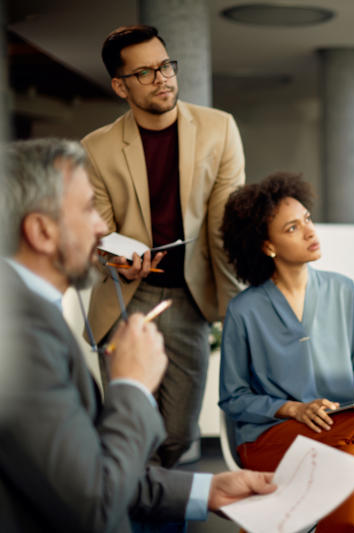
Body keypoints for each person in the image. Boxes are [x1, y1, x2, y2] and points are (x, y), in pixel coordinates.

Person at [0, 138, 275, 532]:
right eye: (88, 209)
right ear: (41, 232)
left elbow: (83, 468)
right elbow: (95, 503)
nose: (101, 227)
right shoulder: (19, 334)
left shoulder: (30, 312)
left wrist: (207, 490)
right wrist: (132, 384)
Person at [82, 25, 245, 467]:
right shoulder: (96, 148)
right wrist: (118, 261)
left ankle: (153, 498)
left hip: (189, 298)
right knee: (130, 430)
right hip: (127, 296)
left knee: (177, 434)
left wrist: (239, 311)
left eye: (166, 66)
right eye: (146, 72)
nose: (163, 79)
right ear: (120, 86)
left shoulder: (219, 129)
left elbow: (223, 227)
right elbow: (97, 230)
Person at [218, 173, 354, 533]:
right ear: (267, 246)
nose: (309, 232)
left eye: (307, 219)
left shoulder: (344, 291)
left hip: (342, 429)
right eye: (292, 228)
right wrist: (292, 408)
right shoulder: (244, 311)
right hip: (271, 438)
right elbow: (233, 398)